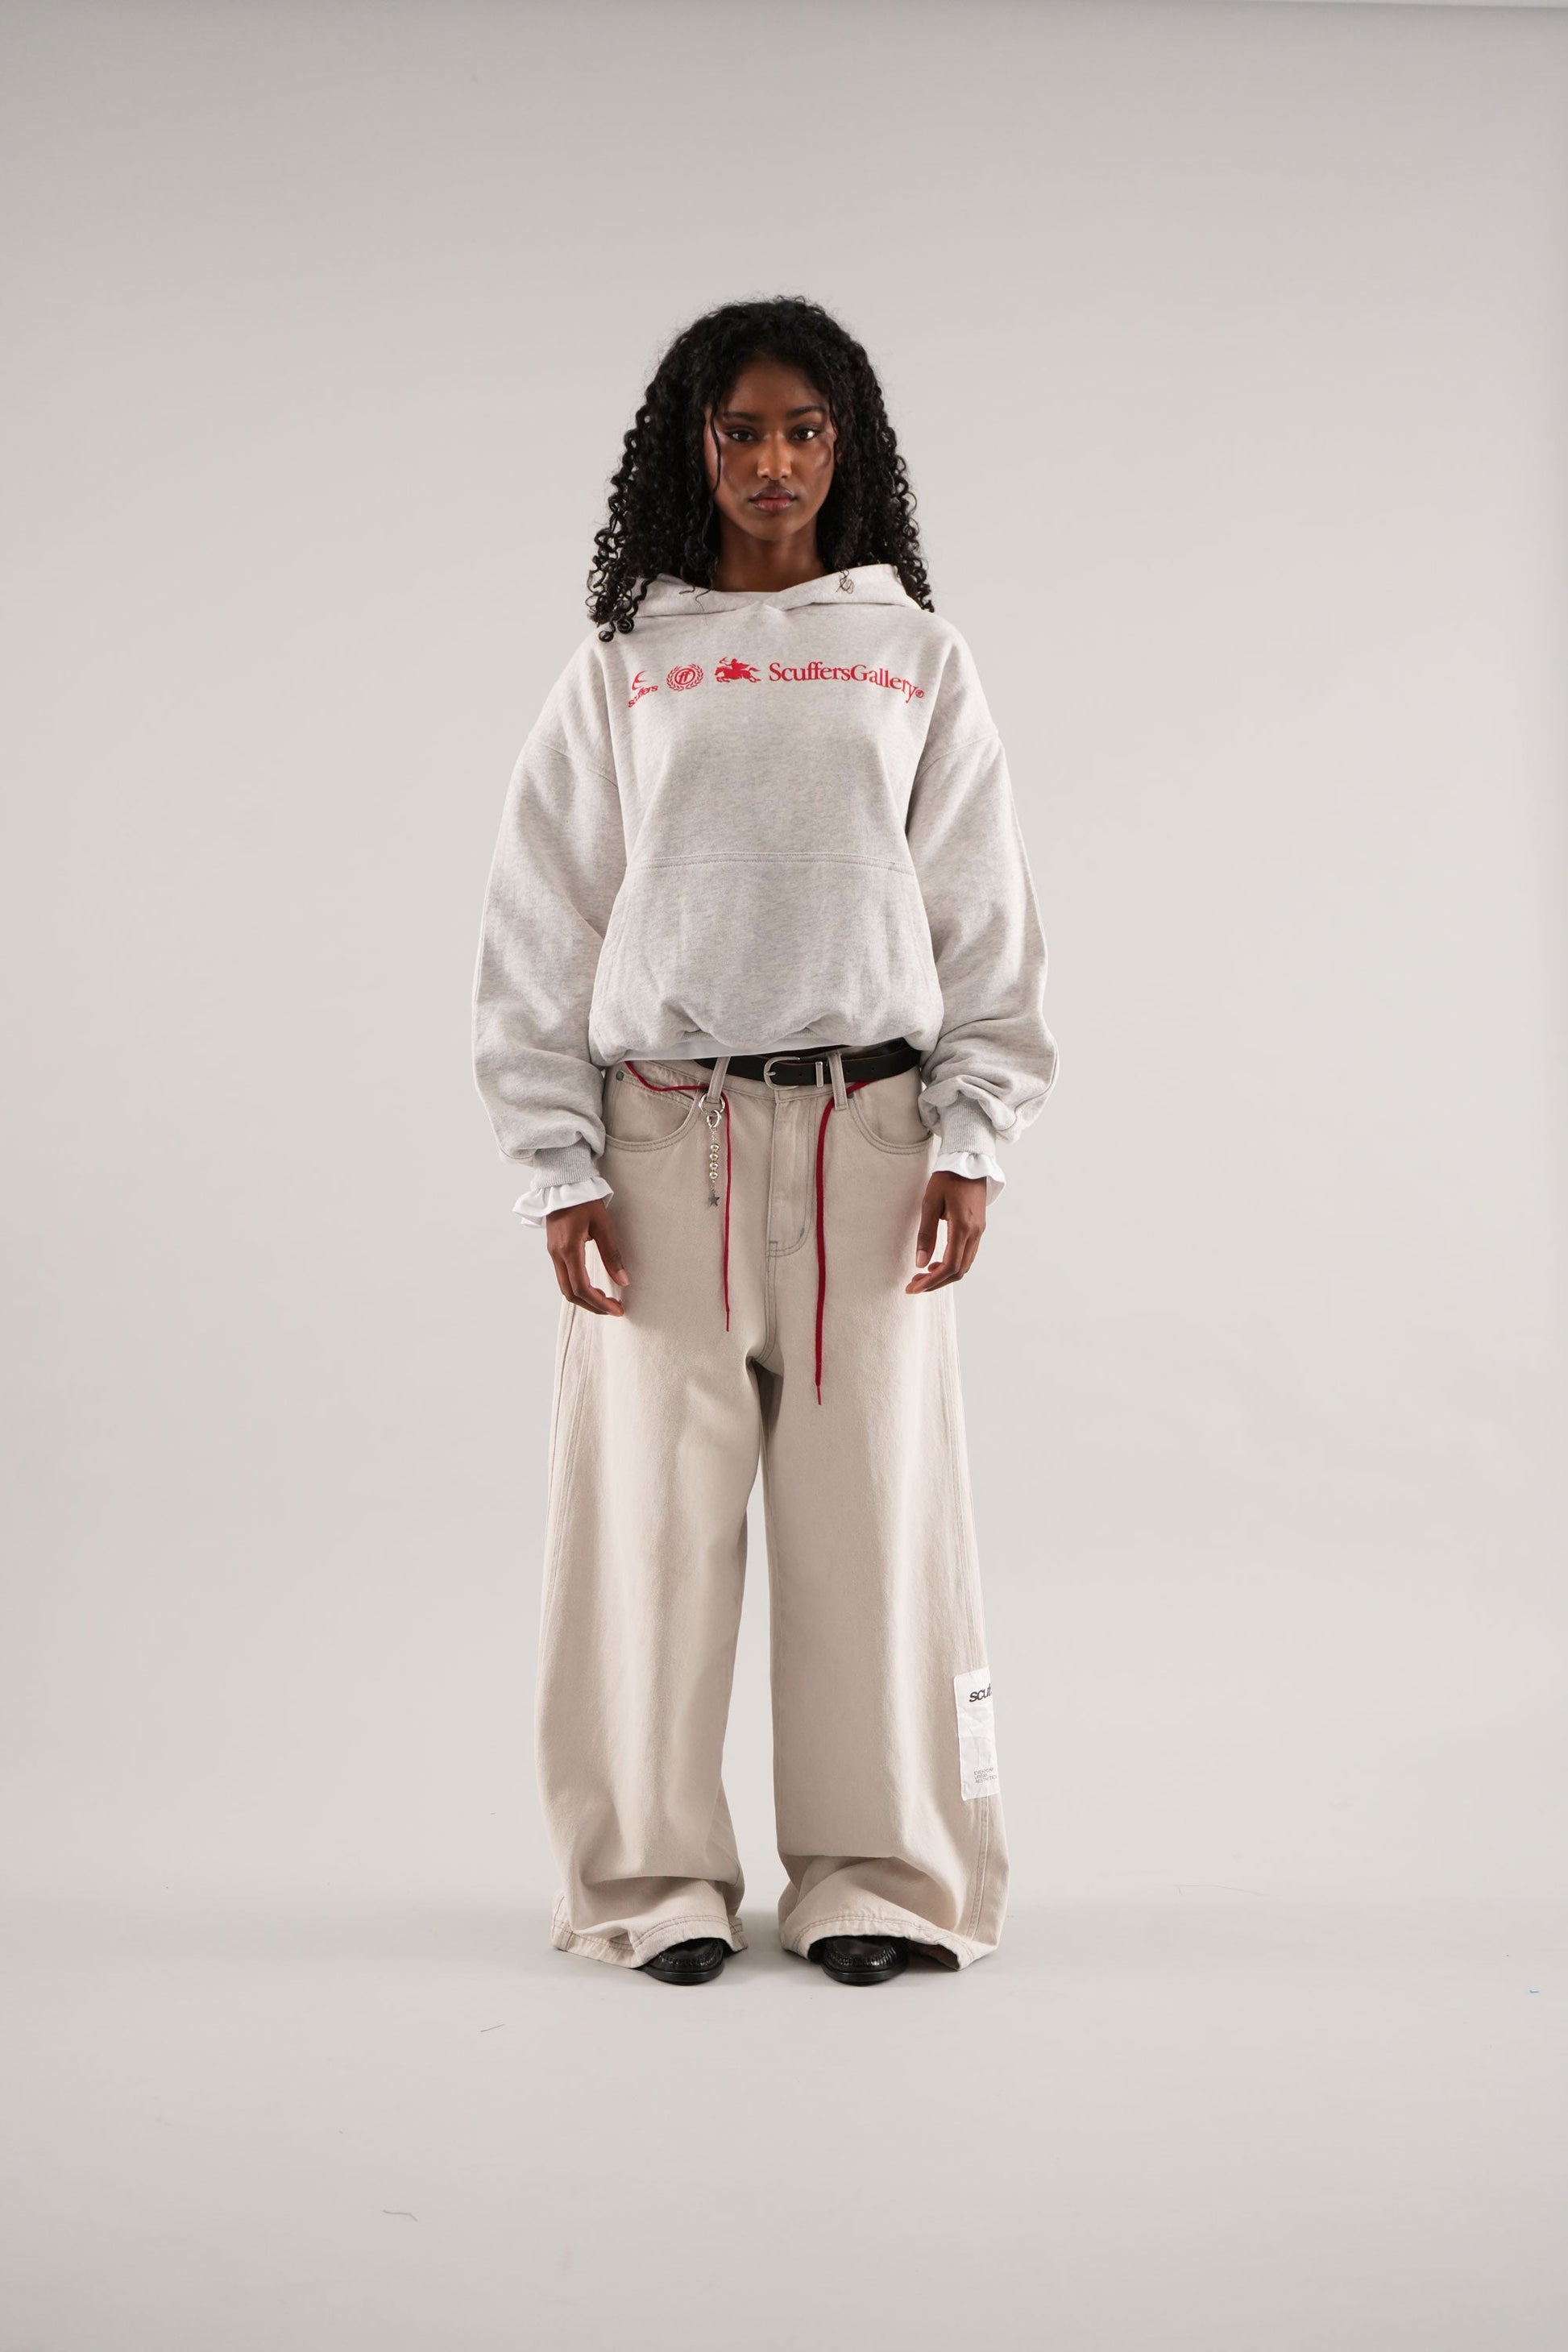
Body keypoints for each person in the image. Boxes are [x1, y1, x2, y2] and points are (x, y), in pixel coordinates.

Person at [472, 297, 1058, 1988]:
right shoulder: (625, 665)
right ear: (693, 447)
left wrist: (974, 1134)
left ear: (845, 446)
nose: (774, 462)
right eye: (741, 430)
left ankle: (878, 1871)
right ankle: (649, 1876)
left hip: (871, 1136)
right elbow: (541, 918)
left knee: (874, 1517)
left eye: (805, 429)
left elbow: (981, 909)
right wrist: (557, 1163)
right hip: (667, 1138)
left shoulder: (914, 657)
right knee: (647, 1522)